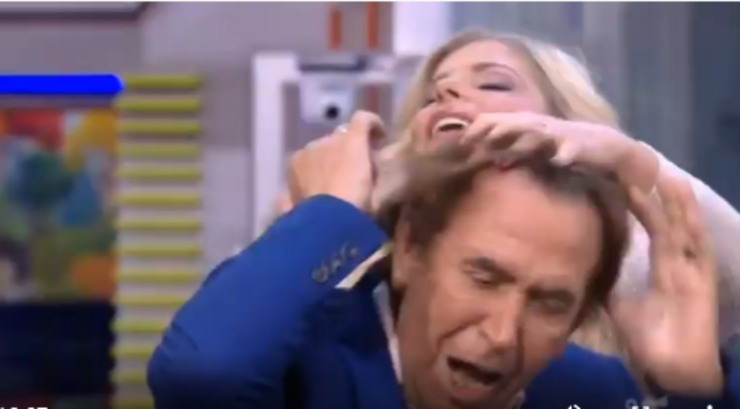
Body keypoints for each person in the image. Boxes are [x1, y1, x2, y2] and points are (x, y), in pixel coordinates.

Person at [148, 110, 738, 409]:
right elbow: (203, 375)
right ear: (409, 249)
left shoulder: (585, 390)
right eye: (483, 276)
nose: (502, 334)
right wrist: (331, 214)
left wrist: (694, 389)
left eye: (550, 302)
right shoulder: (308, 367)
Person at [357, 29, 740, 352]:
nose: (447, 91)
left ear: (566, 121)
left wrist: (626, 160)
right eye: (431, 97)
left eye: (492, 83)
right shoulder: (368, 258)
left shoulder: (618, 257)